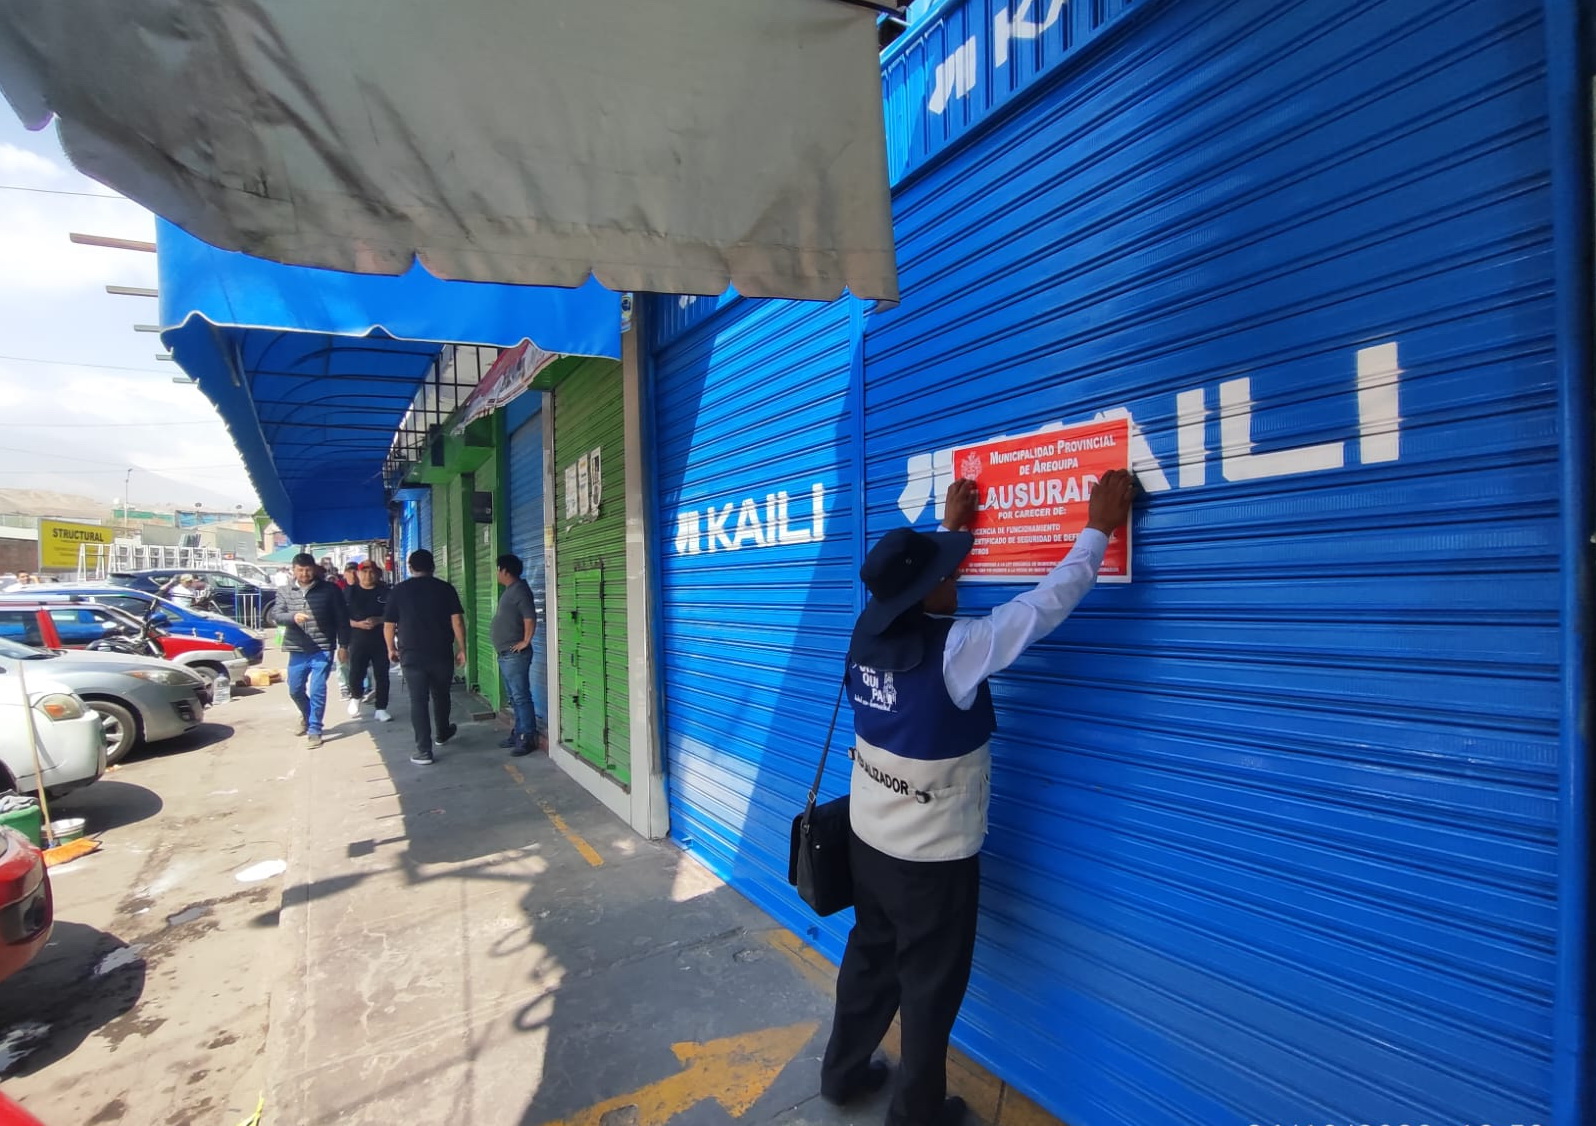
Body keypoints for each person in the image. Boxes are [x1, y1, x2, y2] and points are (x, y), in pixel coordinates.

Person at [819, 469, 1137, 1126]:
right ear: (925, 592)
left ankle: (842, 1076)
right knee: (929, 992)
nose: (955, 579)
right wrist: (1098, 529)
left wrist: (950, 531)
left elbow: (917, 591)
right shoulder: (958, 648)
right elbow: (1043, 605)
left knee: (870, 960)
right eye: (946, 574)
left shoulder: (865, 632)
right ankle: (918, 1118)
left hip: (867, 842)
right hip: (930, 863)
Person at [384, 550, 466, 766]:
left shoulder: (399, 591)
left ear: (410, 568)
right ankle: (442, 733)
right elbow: (457, 621)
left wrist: (390, 648)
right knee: (441, 694)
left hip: (411, 654)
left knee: (418, 701)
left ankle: (424, 751)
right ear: (433, 567)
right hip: (440, 652)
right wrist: (462, 648)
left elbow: (389, 624)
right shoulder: (445, 588)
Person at [272, 552, 351, 750]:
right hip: (297, 648)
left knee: (317, 689)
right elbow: (277, 615)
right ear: (293, 570)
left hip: (322, 648)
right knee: (295, 689)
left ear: (314, 569)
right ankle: (307, 716)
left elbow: (342, 620)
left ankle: (315, 729)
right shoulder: (284, 591)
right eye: (300, 570)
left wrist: (343, 646)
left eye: (308, 570)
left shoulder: (330, 590)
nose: (305, 574)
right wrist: (293, 617)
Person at [491, 554, 539, 757]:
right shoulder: (510, 591)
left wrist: (526, 641)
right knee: (514, 697)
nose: (496, 573)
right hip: (506, 654)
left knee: (521, 696)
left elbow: (530, 617)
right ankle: (518, 733)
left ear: (504, 570)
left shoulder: (520, 590)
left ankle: (527, 737)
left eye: (497, 569)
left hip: (515, 655)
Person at [345, 561, 393, 723]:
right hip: (357, 639)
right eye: (364, 572)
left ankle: (381, 708)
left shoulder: (385, 593)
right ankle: (355, 696)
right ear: (358, 574)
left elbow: (393, 615)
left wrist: (379, 620)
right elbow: (341, 617)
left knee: (382, 674)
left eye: (371, 572)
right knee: (356, 671)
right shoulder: (350, 592)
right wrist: (357, 624)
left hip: (380, 639)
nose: (368, 575)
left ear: (378, 574)